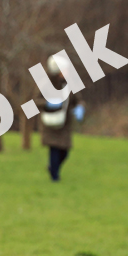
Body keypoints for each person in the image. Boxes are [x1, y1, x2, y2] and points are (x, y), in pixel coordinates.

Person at [36, 54, 85, 182]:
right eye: (65, 69)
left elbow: (78, 100)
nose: (67, 72)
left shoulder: (70, 85)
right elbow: (35, 101)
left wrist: (80, 107)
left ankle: (52, 167)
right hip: (50, 123)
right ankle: (55, 177)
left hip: (65, 124)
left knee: (65, 152)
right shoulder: (45, 84)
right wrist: (47, 103)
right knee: (54, 150)